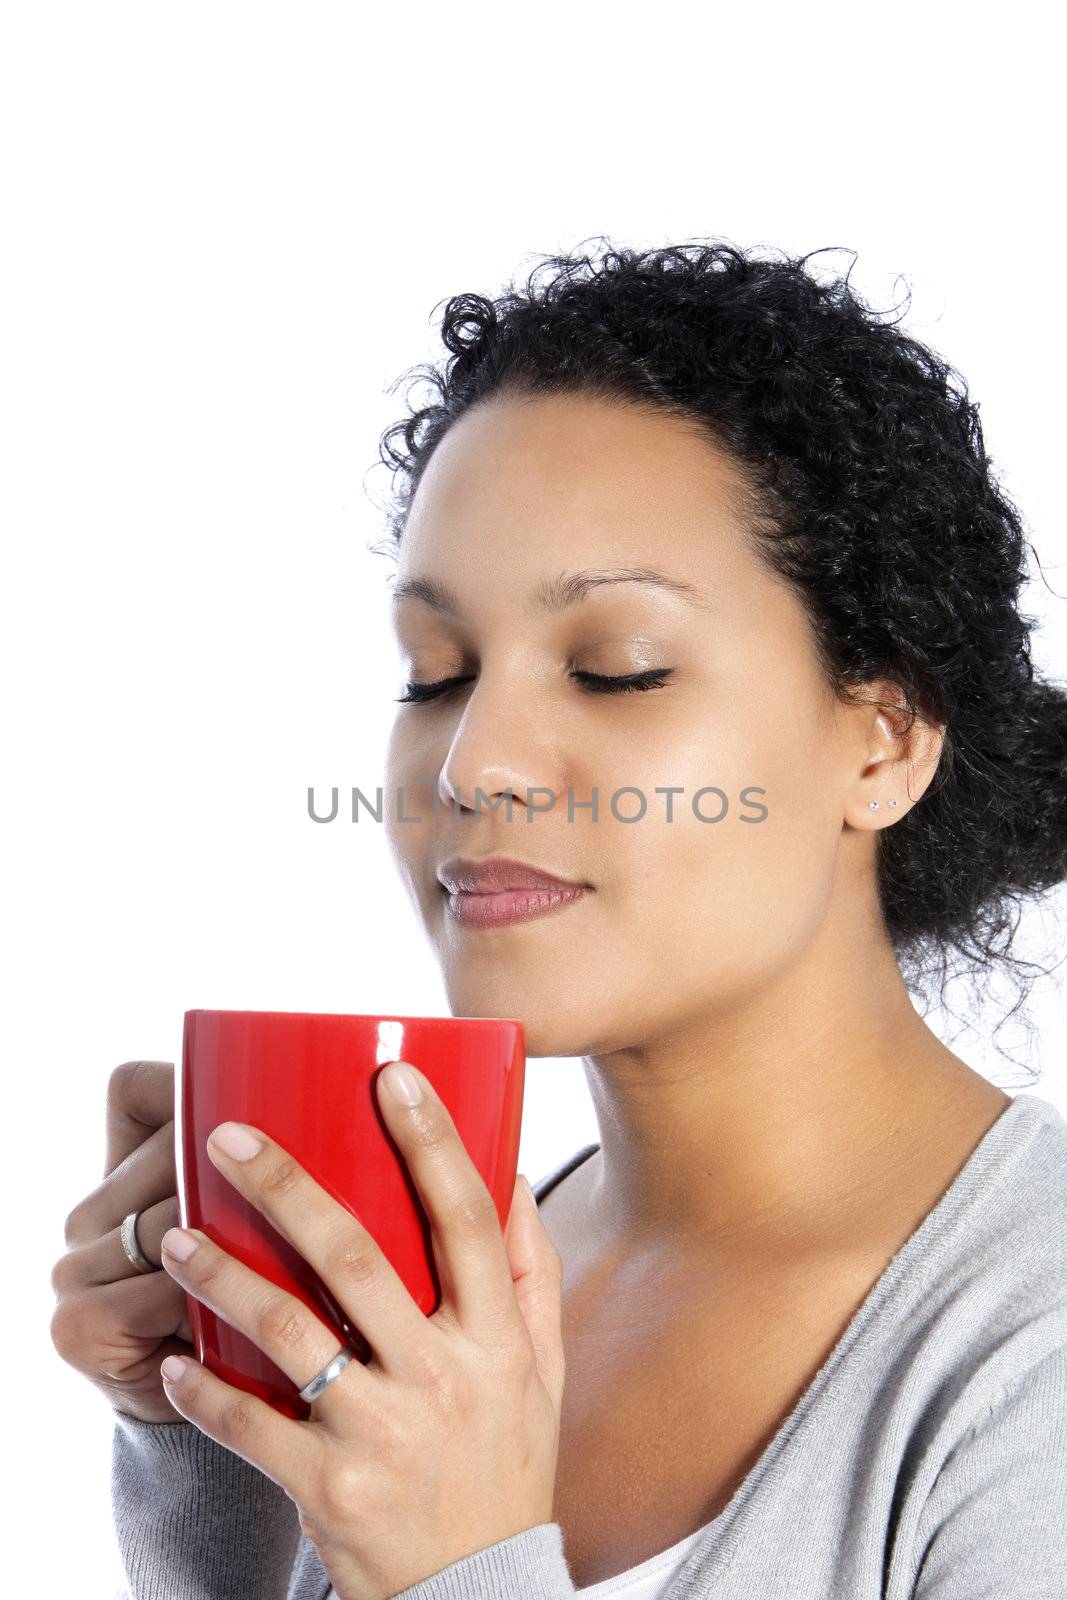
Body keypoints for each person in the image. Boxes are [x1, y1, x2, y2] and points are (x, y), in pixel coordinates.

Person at [52, 237, 1067, 1598]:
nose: (473, 764)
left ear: (883, 740)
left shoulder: (1030, 1345)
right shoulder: (443, 1293)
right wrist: (210, 1432)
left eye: (616, 669)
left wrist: (463, 1567)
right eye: (437, 673)